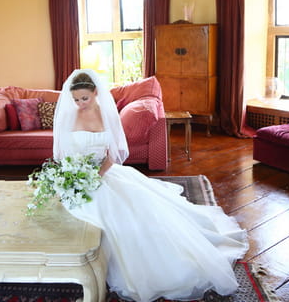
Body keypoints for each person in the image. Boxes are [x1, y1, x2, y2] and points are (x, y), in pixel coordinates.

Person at [52, 69, 249, 302]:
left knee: (134, 215)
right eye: (76, 100)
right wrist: (76, 178)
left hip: (103, 173)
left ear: (95, 92)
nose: (80, 103)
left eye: (84, 98)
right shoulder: (70, 116)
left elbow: (112, 156)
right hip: (77, 177)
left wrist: (97, 176)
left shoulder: (108, 114)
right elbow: (64, 155)